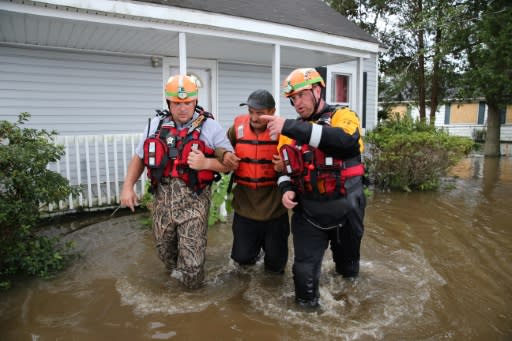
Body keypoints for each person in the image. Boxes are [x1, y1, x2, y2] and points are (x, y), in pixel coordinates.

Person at [261, 68, 366, 308]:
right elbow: (284, 170)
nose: (297, 103)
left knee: (348, 271)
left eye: (301, 95)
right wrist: (285, 188)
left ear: (317, 90)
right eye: (293, 98)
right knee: (304, 280)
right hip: (309, 212)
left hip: (346, 209)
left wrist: (288, 126)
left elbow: (345, 142)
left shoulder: (344, 116)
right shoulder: (288, 131)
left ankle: (350, 309)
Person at [120, 74, 233, 289]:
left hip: (194, 200)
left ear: (195, 102)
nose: (183, 108)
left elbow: (230, 164)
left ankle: (192, 303)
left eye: (188, 102)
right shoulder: (155, 125)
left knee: (192, 263)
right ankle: (175, 283)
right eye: (177, 103)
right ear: (169, 103)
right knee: (165, 251)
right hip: (162, 198)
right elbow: (140, 157)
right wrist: (128, 187)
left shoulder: (211, 127)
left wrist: (206, 164)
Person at [216, 89, 290, 273]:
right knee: (241, 263)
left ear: (272, 112)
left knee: (275, 268)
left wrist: (287, 162)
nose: (254, 118)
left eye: (260, 113)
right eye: (251, 112)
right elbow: (219, 145)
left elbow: (301, 160)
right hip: (245, 209)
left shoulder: (284, 132)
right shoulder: (237, 129)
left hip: (275, 211)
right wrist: (224, 154)